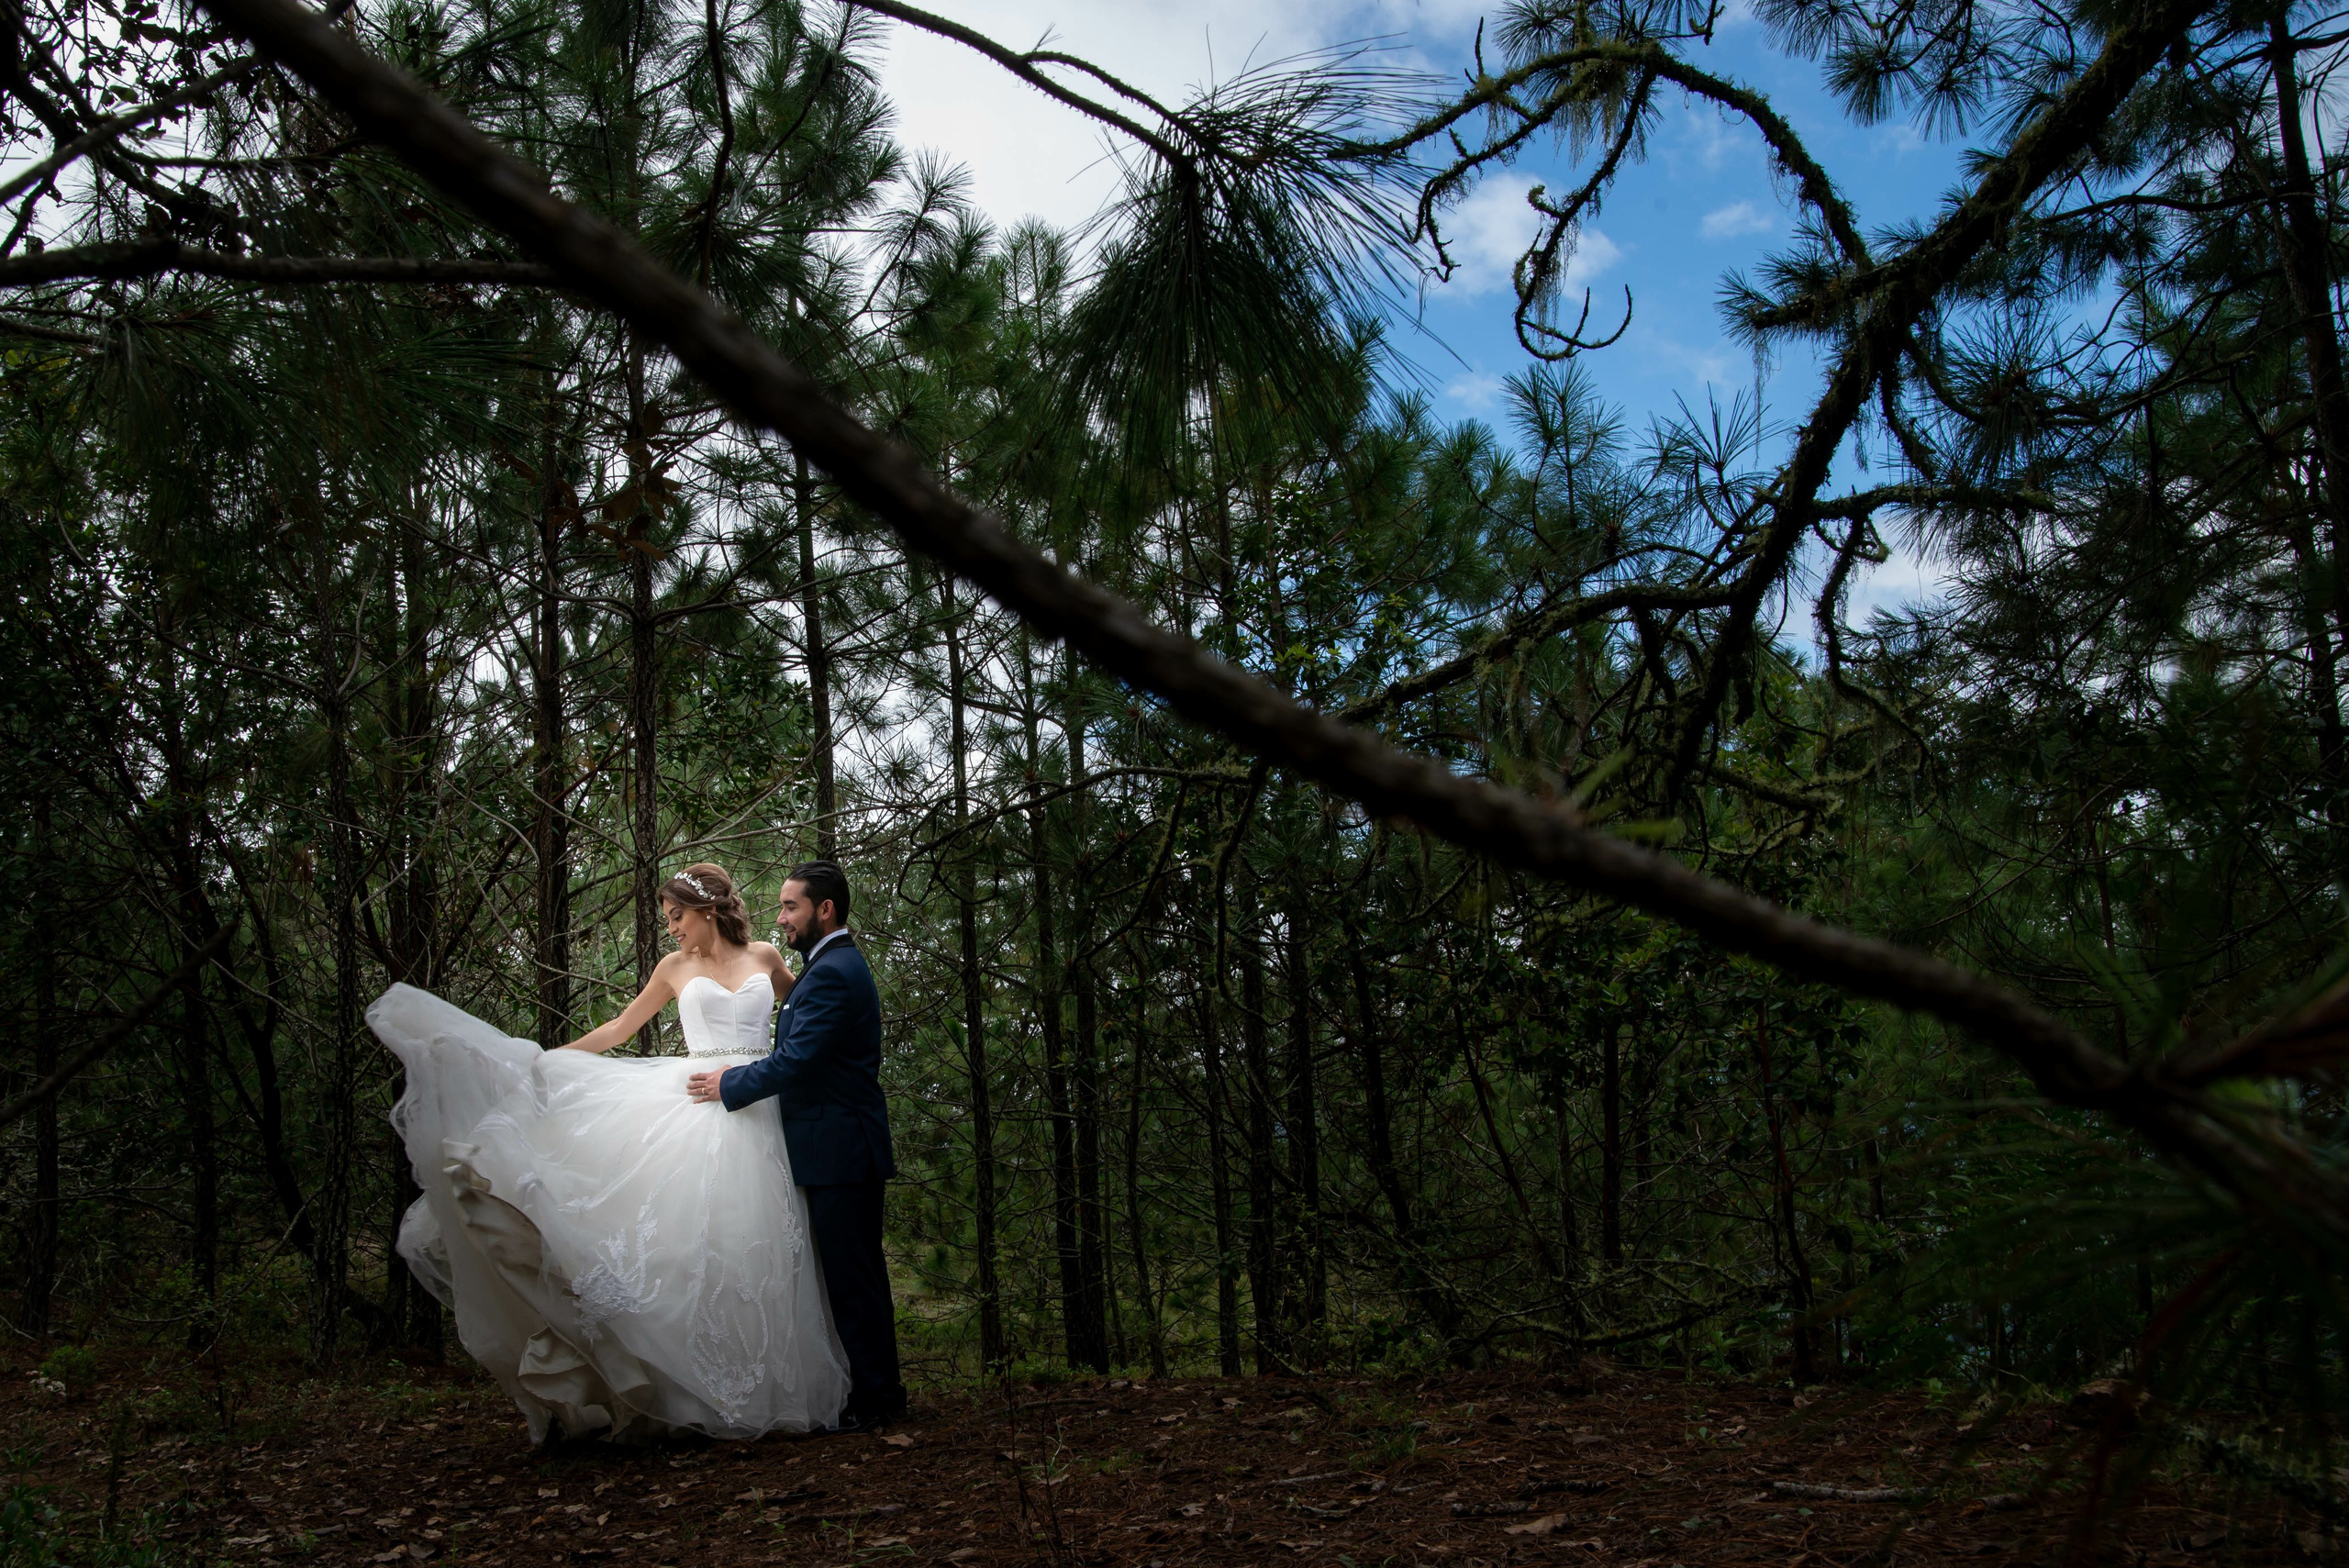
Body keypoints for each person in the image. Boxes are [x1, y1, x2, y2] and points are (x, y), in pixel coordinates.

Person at [371, 862, 851, 1444]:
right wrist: (545, 1060)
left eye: (676, 917)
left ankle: (764, 1389)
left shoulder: (768, 958)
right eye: (667, 919)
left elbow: (804, 1027)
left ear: (707, 912)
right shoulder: (673, 968)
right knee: (691, 1247)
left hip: (758, 1107)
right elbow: (621, 1028)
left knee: (762, 1248)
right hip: (696, 1107)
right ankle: (691, 1390)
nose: (670, 928)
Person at [689, 860, 907, 1429]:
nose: (781, 918)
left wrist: (727, 1082)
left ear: (823, 910)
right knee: (850, 1275)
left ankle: (880, 1401)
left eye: (791, 907)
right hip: (832, 1146)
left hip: (841, 1149)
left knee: (853, 1279)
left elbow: (797, 1059)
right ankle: (875, 1393)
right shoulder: (828, 965)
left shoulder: (834, 971)